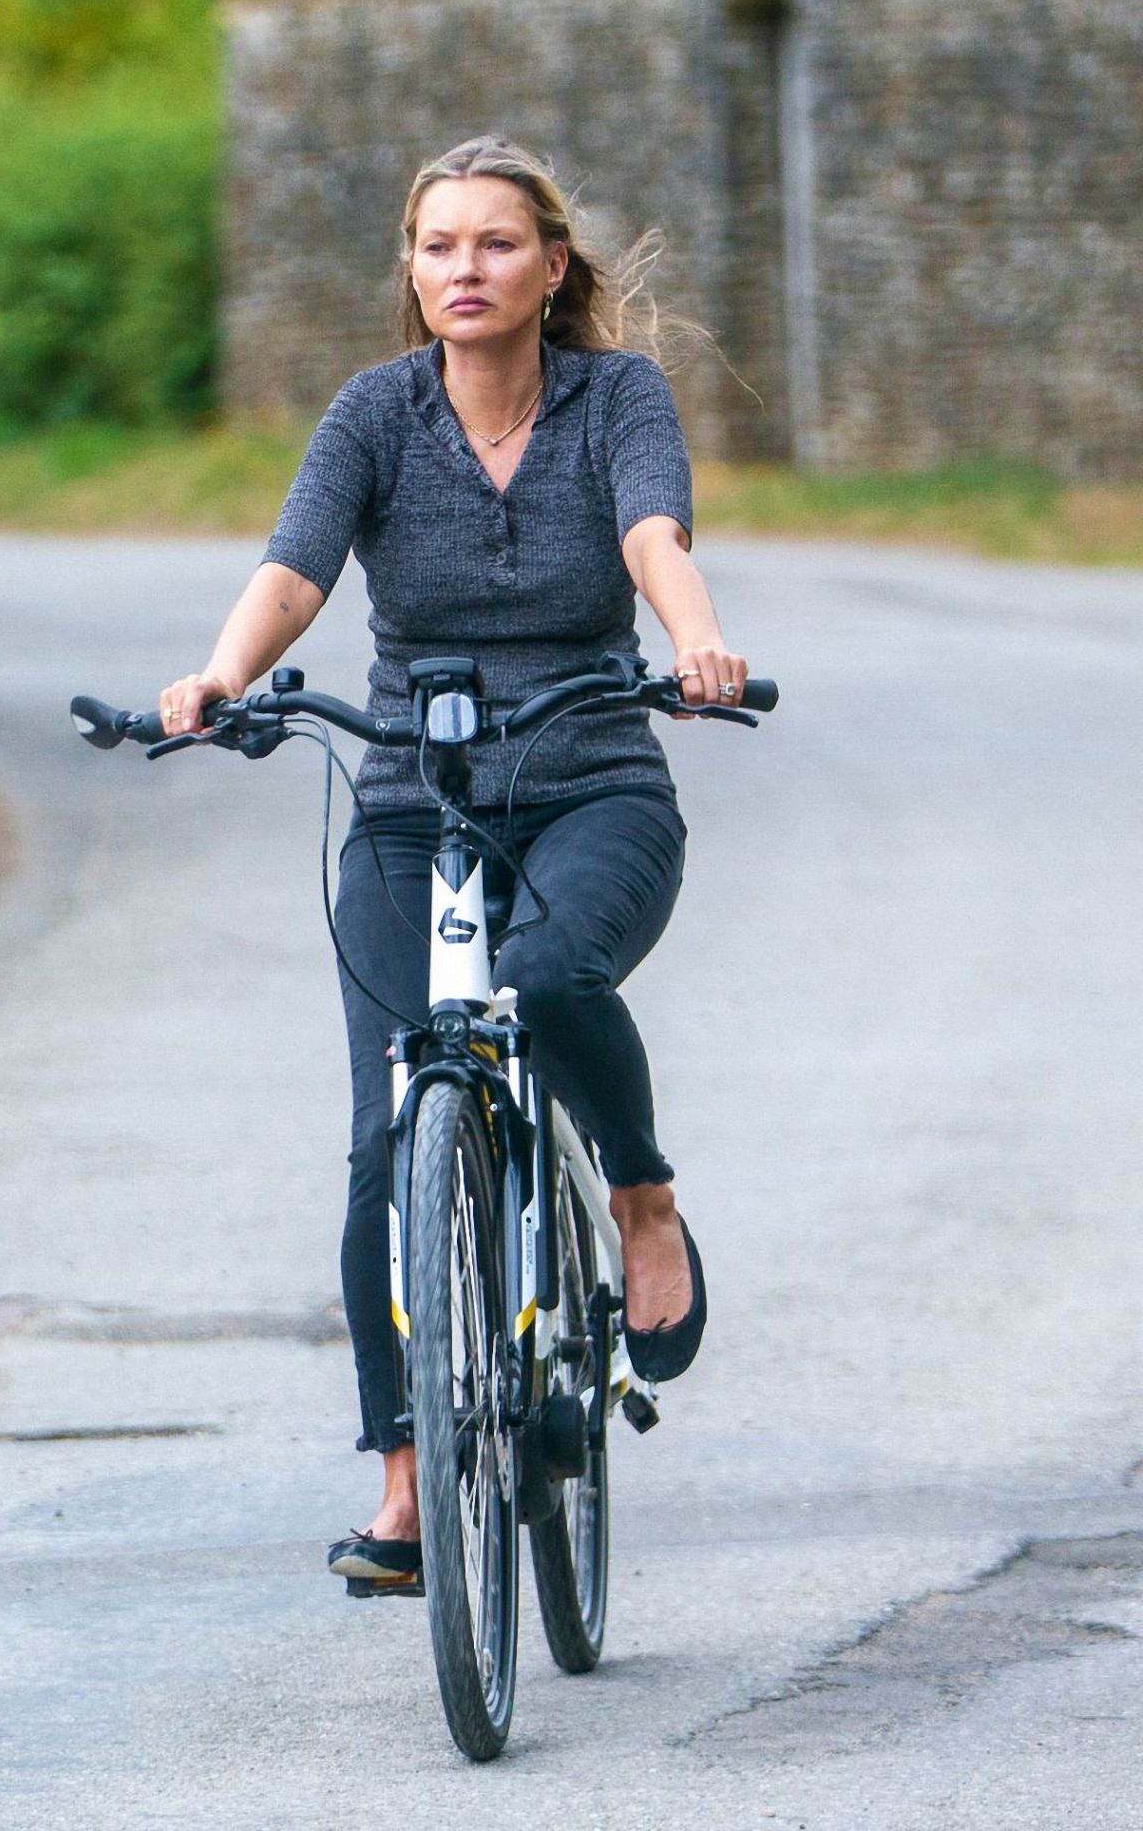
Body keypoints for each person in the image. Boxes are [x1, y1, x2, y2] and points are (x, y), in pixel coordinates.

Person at [159, 136, 749, 1587]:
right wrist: (224, 674)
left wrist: (692, 643)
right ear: (412, 273)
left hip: (591, 783)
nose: (465, 270)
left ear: (553, 267)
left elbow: (651, 530)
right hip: (416, 810)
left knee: (550, 977)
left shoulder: (618, 396)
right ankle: (408, 1490)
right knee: (385, 1136)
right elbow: (296, 565)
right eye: (439, 247)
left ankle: (640, 1199)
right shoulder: (375, 414)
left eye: (496, 244)